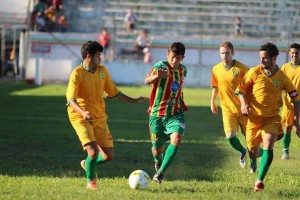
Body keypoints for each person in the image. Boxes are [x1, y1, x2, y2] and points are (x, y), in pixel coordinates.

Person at [66, 41, 148, 190]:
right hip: (80, 117)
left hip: (99, 116)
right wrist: (83, 112)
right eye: (98, 55)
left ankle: (88, 164)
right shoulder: (77, 74)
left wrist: (134, 100)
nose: (100, 58)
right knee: (93, 151)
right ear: (89, 56)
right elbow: (70, 100)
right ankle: (91, 182)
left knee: (108, 155)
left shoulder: (102, 71)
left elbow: (115, 92)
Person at [236, 42, 300, 192]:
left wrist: (297, 118)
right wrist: (244, 104)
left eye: (265, 58)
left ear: (274, 58)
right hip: (253, 118)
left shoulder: (282, 77)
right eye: (260, 58)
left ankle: (259, 180)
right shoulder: (254, 72)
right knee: (252, 151)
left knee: (268, 143)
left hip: (272, 118)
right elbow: (241, 91)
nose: (262, 61)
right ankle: (254, 160)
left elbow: (295, 97)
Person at [144, 42, 188, 184]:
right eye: (173, 57)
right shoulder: (160, 66)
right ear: (167, 54)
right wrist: (157, 76)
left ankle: (160, 173)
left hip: (175, 113)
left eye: (178, 58)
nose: (175, 61)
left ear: (182, 58)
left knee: (177, 139)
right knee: (157, 149)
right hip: (157, 115)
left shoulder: (183, 70)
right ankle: (158, 162)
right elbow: (147, 80)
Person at [211, 41, 249, 169]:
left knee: (251, 140)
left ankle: (256, 160)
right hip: (227, 109)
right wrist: (212, 102)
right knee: (230, 136)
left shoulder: (242, 69)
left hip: (244, 108)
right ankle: (243, 152)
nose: (224, 55)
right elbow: (215, 86)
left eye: (227, 53)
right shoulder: (216, 69)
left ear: (232, 53)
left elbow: (251, 87)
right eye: (222, 53)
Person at [280, 43, 300, 160]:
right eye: (292, 53)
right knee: (287, 127)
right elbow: (279, 85)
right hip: (288, 103)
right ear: (289, 54)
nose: (294, 55)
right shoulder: (285, 68)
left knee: (298, 127)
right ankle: (285, 152)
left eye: (296, 53)